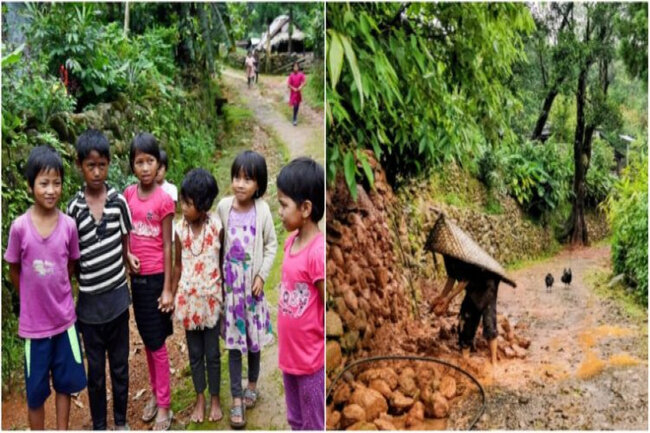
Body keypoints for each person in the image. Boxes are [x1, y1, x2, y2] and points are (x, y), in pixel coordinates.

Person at [4, 146, 87, 430]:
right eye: (43, 183)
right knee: (36, 392)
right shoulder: (19, 228)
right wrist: (29, 298)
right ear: (30, 186)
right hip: (34, 328)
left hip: (64, 322)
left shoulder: (69, 226)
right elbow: (14, 270)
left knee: (65, 383)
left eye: (56, 183)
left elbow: (70, 266)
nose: (51, 190)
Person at [67, 130, 136, 430]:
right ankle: (99, 425)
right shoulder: (73, 210)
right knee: (95, 372)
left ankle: (120, 422)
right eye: (90, 165)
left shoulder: (119, 202)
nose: (97, 172)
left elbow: (125, 241)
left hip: (118, 301)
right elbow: (71, 258)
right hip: (90, 308)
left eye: (102, 165)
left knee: (120, 367)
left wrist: (128, 257)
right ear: (80, 165)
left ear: (109, 164)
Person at [216, 150, 277, 429]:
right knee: (233, 347)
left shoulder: (262, 210)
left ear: (259, 184)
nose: (240, 184)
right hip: (231, 296)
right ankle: (237, 399)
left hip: (252, 294)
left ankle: (252, 383)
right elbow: (216, 244)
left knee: (253, 343)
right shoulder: (223, 207)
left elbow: (270, 245)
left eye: (247, 179)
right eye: (236, 177)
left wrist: (262, 276)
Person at [123, 133, 175, 430]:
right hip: (137, 281)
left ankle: (165, 406)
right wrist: (127, 255)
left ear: (158, 165)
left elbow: (168, 245)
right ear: (132, 165)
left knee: (158, 344)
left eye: (150, 161)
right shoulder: (129, 195)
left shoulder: (165, 201)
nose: (145, 167)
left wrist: (168, 287)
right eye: (139, 162)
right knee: (146, 340)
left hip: (156, 280)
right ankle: (156, 394)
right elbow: (126, 233)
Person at [276, 158, 325, 430]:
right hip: (289, 358)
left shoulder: (317, 254)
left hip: (311, 363)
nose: (280, 211)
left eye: (284, 204)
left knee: (314, 422)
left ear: (305, 208)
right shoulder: (289, 243)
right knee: (295, 418)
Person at [171, 169, 223, 424]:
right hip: (188, 302)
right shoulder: (179, 230)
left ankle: (215, 397)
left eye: (188, 203)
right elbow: (177, 265)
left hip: (212, 300)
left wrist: (225, 291)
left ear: (203, 206)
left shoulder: (216, 226)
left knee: (213, 352)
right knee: (195, 353)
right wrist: (170, 292)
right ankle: (200, 397)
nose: (183, 207)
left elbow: (221, 262)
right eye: (182, 201)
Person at [432, 255, 500, 366]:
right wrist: (441, 296)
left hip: (487, 283)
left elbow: (464, 281)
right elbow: (452, 278)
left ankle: (494, 362)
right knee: (466, 319)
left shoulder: (462, 254)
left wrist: (448, 299)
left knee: (489, 321)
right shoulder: (448, 256)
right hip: (472, 288)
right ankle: (465, 359)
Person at [287, 62, 306, 126]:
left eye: (297, 67)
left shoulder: (301, 74)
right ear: (293, 68)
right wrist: (293, 88)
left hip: (298, 93)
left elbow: (304, 82)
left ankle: (295, 115)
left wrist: (301, 86)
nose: (295, 68)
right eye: (294, 67)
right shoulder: (291, 75)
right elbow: (288, 84)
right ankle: (294, 118)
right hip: (293, 92)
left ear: (298, 67)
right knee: (295, 104)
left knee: (297, 105)